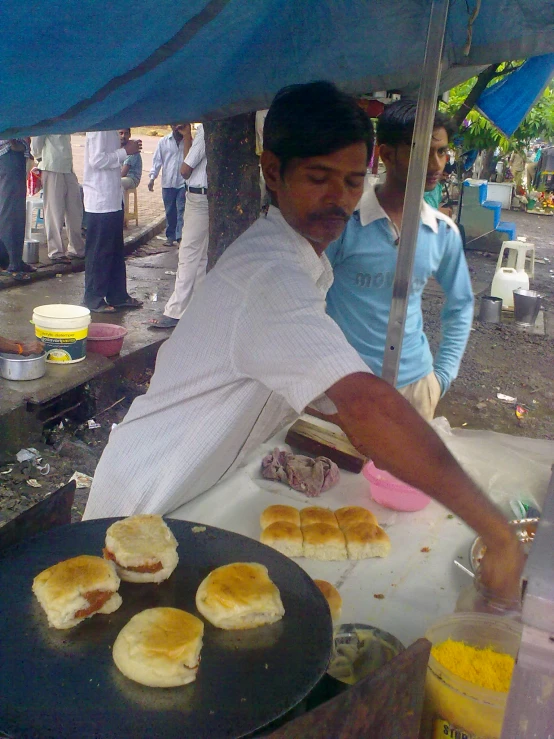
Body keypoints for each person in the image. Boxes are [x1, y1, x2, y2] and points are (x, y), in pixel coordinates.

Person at [83, 81, 523, 603]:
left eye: (353, 181)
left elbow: (323, 395)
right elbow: (364, 401)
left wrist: (387, 439)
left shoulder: (302, 261)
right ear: (273, 171)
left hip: (193, 497)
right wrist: (498, 534)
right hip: (144, 505)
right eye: (319, 178)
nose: (338, 199)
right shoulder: (268, 277)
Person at [325, 101, 473, 422]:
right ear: (387, 154)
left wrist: (441, 378)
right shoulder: (343, 224)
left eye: (442, 152)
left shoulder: (442, 233)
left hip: (415, 389)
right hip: (346, 386)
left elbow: (461, 305)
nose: (436, 164)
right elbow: (305, 299)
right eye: (424, 151)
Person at [151, 123, 209, 329]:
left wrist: (189, 139)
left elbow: (185, 169)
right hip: (202, 195)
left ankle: (175, 311)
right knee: (200, 257)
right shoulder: (202, 133)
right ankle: (197, 307)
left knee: (188, 253)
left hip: (199, 196)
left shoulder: (205, 132)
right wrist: (187, 137)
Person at [82, 131, 144, 313]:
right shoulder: (100, 127)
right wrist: (125, 151)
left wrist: (122, 147)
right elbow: (96, 160)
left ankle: (117, 295)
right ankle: (93, 298)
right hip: (100, 200)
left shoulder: (111, 128)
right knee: (99, 252)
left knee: (115, 253)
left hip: (112, 198)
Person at [31, 135, 86, 264]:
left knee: (75, 210)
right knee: (54, 211)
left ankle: (77, 248)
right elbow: (36, 145)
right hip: (51, 166)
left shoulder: (65, 119)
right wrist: (40, 158)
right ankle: (56, 251)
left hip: (67, 166)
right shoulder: (46, 118)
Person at [148, 124, 191, 246]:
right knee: (170, 211)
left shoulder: (188, 142)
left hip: (183, 183)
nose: (177, 128)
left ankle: (179, 237)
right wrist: (152, 178)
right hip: (168, 183)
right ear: (171, 126)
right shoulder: (163, 142)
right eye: (174, 125)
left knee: (181, 209)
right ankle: (170, 236)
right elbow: (157, 161)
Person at [0, 138, 36, 281]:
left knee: (15, 210)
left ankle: (14, 260)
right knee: (11, 212)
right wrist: (14, 142)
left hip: (13, 154)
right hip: (8, 152)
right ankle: (11, 264)